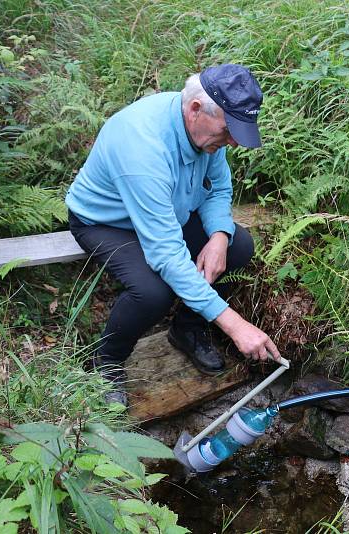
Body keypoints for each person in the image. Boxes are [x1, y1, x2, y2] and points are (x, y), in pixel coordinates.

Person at [65, 64, 281, 406]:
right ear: (195, 109)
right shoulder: (143, 147)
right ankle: (104, 361)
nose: (234, 142)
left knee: (238, 246)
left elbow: (218, 188)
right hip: (107, 222)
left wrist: (220, 236)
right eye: (229, 131)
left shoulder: (206, 127)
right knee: (153, 291)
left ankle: (187, 329)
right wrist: (235, 325)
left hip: (169, 210)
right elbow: (166, 254)